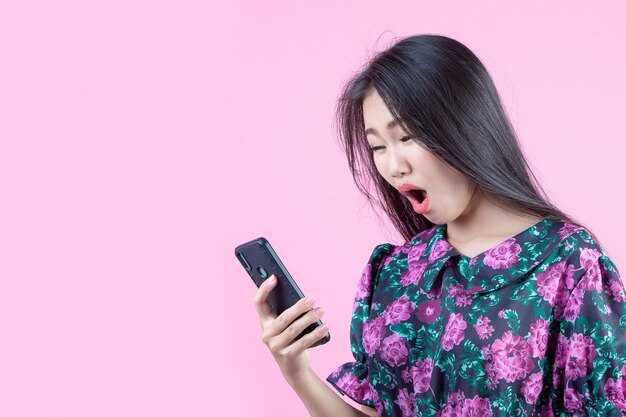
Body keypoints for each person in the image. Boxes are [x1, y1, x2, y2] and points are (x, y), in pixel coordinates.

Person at [251, 34, 626, 416]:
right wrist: (296, 371)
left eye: (406, 137)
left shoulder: (570, 265)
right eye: (378, 146)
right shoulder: (396, 273)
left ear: (466, 125)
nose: (394, 167)